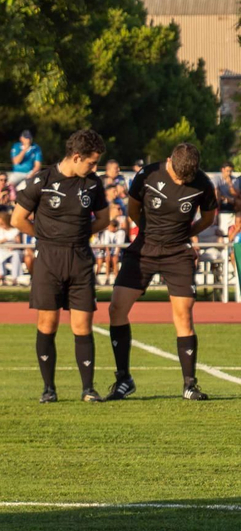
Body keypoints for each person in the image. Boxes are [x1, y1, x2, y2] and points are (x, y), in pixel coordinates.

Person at [105, 142, 219, 401]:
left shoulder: (202, 183)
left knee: (183, 315)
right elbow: (133, 209)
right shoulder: (147, 175)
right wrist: (150, 233)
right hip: (144, 249)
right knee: (116, 308)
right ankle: (124, 379)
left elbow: (208, 218)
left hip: (178, 253)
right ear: (169, 161)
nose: (181, 182)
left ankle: (190, 385)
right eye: (178, 177)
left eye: (185, 179)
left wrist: (184, 236)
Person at [12, 129, 110, 403]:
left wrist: (79, 234)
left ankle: (88, 389)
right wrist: (45, 235)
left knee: (82, 325)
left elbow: (103, 218)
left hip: (80, 259)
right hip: (49, 260)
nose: (95, 168)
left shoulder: (92, 183)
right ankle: (48, 389)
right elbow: (17, 219)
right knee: (47, 322)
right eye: (91, 162)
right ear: (76, 157)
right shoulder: (42, 181)